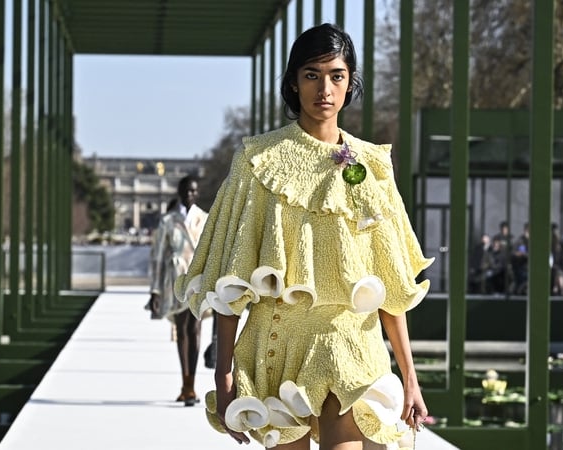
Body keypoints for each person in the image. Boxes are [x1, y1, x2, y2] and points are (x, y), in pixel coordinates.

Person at [174, 23, 432, 449]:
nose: (324, 89)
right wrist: (224, 374)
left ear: (350, 84)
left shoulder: (372, 165)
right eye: (311, 74)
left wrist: (410, 378)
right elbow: (231, 275)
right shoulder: (258, 159)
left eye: (336, 75)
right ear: (293, 83)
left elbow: (390, 281)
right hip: (279, 341)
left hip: (353, 343)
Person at [149, 175, 209, 406]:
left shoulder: (204, 219)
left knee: (195, 329)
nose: (189, 195)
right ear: (179, 192)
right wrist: (155, 289)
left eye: (193, 191)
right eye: (186, 190)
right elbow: (157, 257)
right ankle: (187, 383)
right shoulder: (168, 221)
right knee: (183, 329)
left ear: (197, 193)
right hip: (175, 280)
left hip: (198, 281)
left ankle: (190, 384)